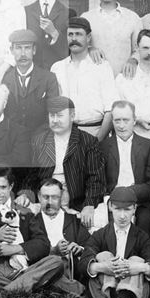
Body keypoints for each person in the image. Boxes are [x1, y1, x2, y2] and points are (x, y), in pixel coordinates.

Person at [80, 187, 150, 298]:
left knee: (137, 260)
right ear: (111, 207)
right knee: (104, 255)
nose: (123, 216)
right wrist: (103, 267)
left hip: (135, 297)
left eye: (127, 209)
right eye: (118, 209)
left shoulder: (141, 236)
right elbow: (83, 263)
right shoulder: (100, 234)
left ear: (135, 208)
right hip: (104, 294)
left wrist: (137, 267)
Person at [30, 96, 106, 230]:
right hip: (46, 197)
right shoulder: (39, 141)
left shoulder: (88, 141)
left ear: (72, 116)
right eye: (51, 115)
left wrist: (89, 204)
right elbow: (31, 176)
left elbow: (96, 178)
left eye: (59, 116)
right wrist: (25, 195)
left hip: (76, 200)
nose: (55, 120)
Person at [98, 100, 150, 226]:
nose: (121, 125)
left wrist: (129, 193)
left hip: (139, 202)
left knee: (145, 223)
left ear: (134, 120)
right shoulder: (102, 148)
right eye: (117, 120)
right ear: (112, 121)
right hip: (112, 201)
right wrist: (112, 199)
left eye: (126, 120)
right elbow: (98, 181)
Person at [50, 17, 117, 141]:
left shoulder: (102, 66)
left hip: (95, 131)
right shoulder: (57, 68)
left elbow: (110, 109)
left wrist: (98, 141)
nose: (74, 39)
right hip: (66, 133)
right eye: (70, 34)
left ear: (88, 37)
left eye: (79, 34)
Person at [1, 29, 60, 139]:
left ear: (34, 50)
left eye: (27, 48)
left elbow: (53, 113)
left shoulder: (48, 78)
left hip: (41, 139)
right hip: (12, 141)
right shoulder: (5, 79)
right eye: (18, 48)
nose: (23, 53)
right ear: (11, 50)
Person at [82, 0, 141, 76]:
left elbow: (139, 49)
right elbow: (78, 47)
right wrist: (89, 49)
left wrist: (134, 60)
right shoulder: (86, 18)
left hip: (124, 78)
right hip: (95, 79)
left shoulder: (132, 18)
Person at [24, 0, 73, 70]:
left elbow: (71, 48)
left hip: (57, 72)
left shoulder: (68, 13)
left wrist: (54, 33)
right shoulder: (26, 11)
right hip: (32, 73)